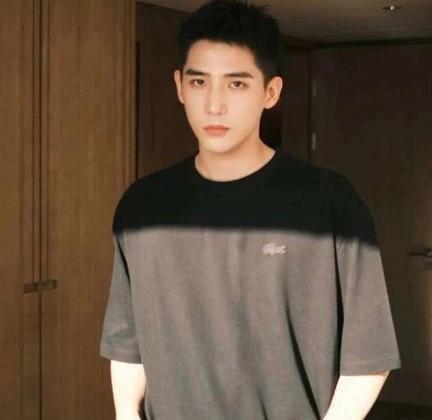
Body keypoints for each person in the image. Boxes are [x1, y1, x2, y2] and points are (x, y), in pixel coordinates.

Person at [99, 1, 402, 419]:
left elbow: (369, 354)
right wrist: (126, 414)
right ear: (179, 86)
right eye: (199, 81)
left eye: (237, 84)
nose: (214, 105)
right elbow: (126, 343)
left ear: (270, 92)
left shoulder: (329, 201)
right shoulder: (142, 207)